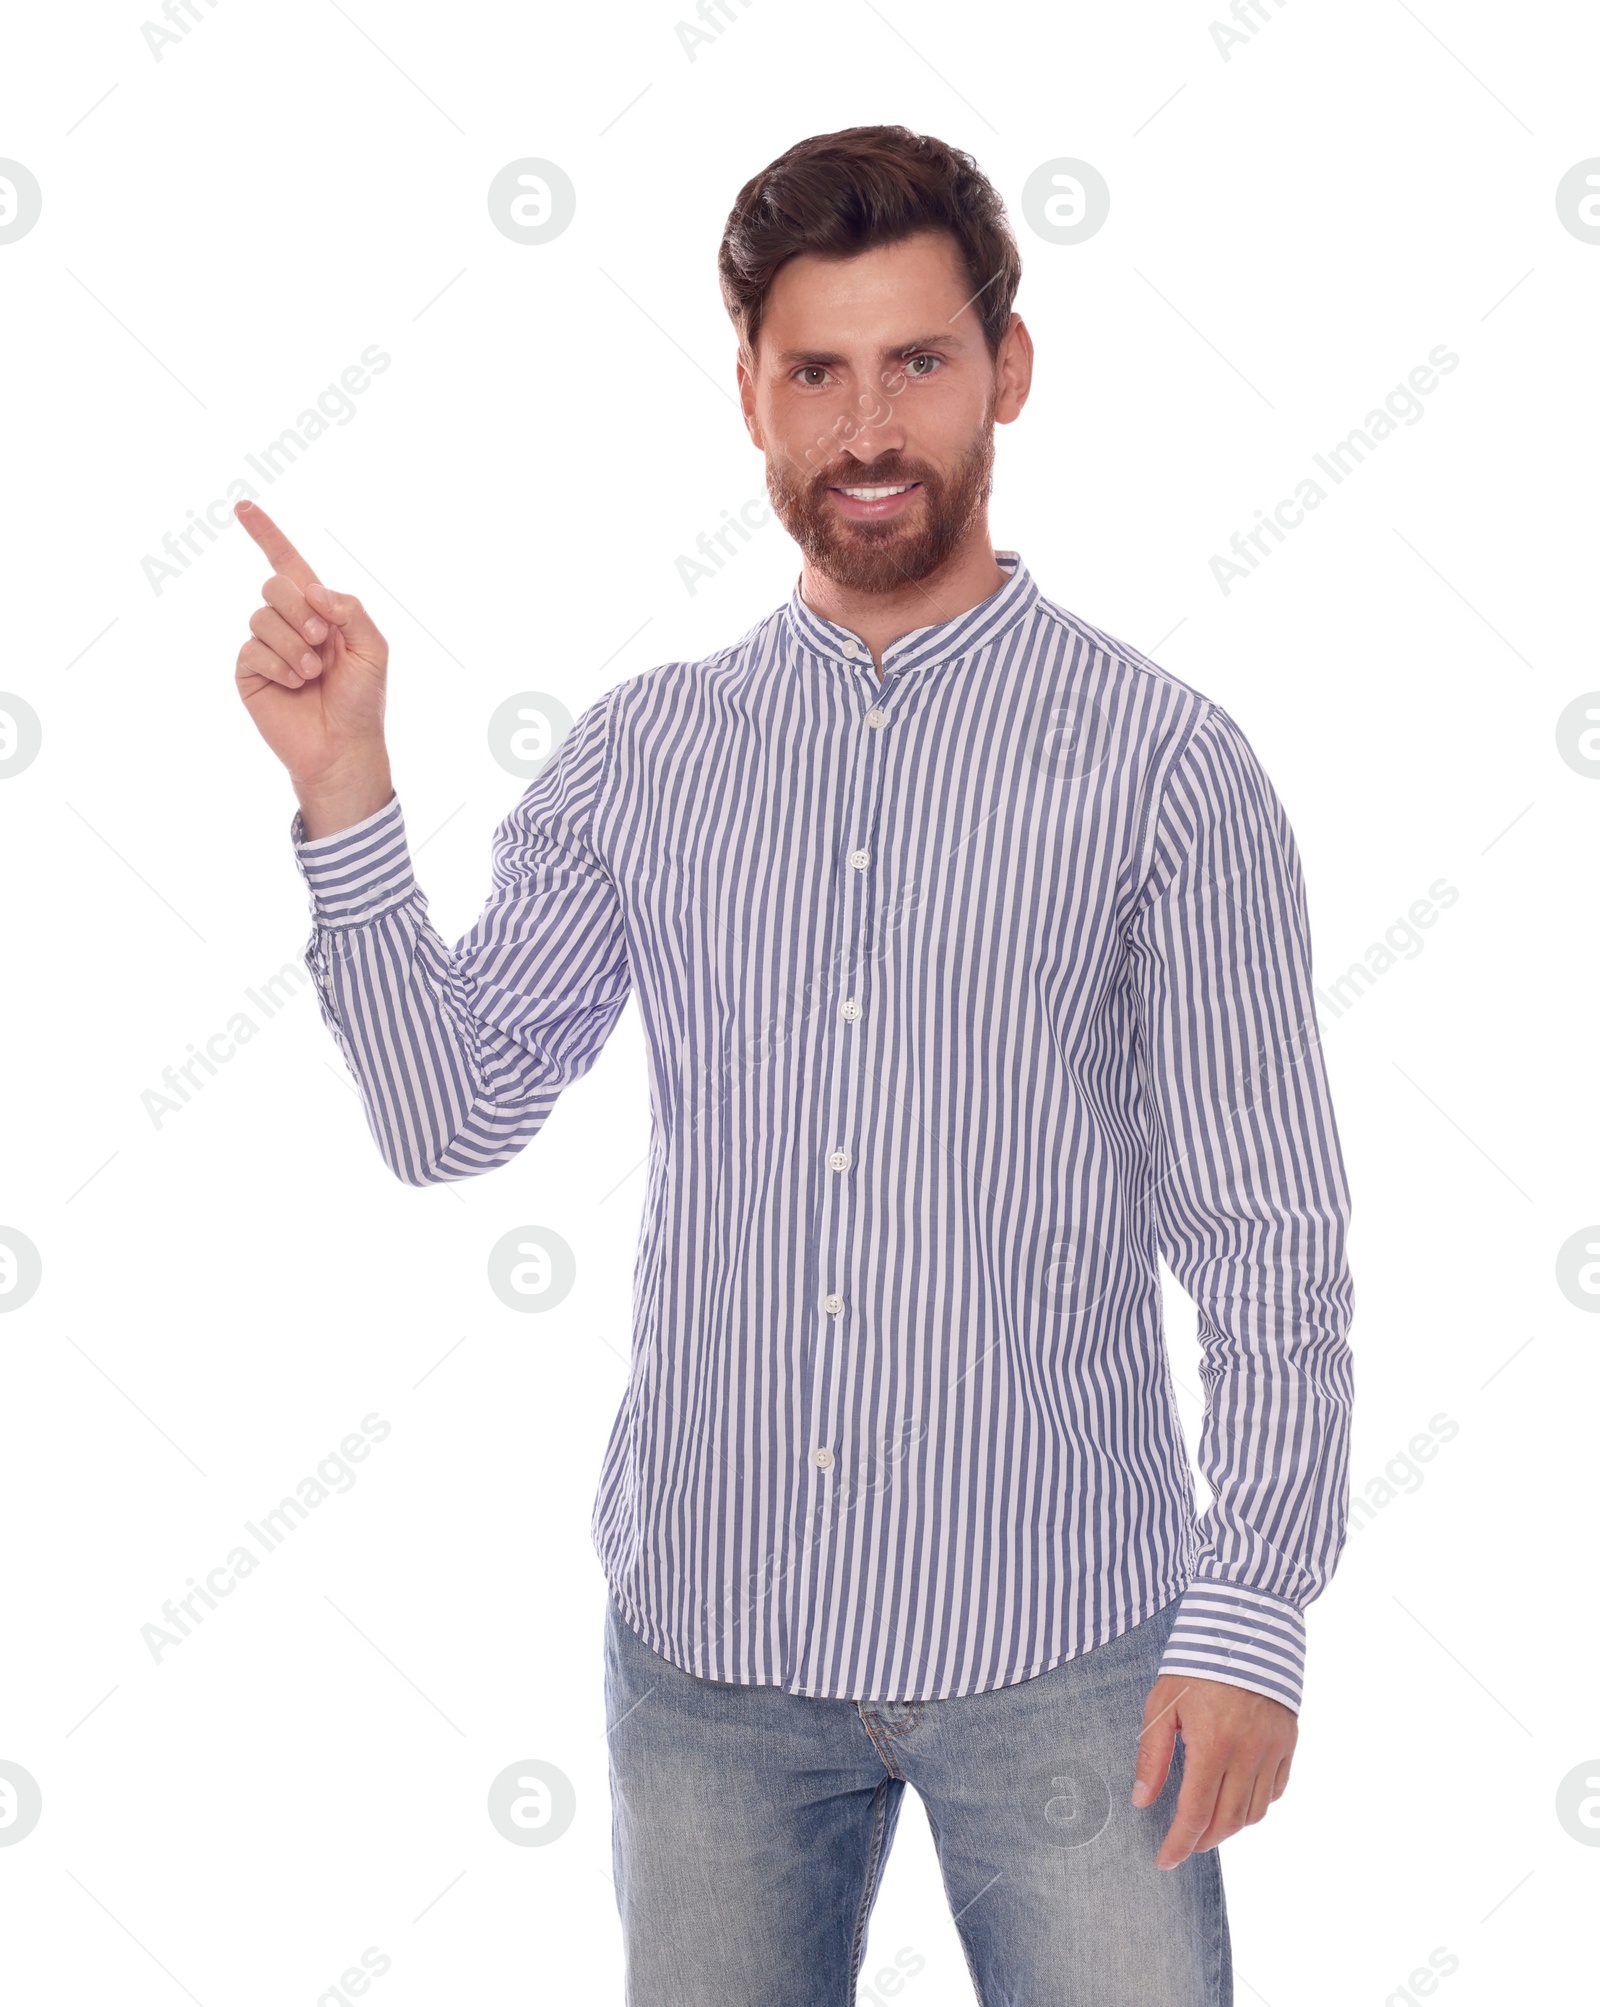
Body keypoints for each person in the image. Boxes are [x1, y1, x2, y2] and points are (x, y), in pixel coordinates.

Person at [232, 124, 1353, 2007]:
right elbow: (454, 1112)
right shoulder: (652, 756)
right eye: (815, 373)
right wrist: (346, 786)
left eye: (917, 362)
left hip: (1067, 1650)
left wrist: (1251, 1615)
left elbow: (1267, 1236)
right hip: (710, 1665)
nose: (867, 430)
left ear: (1008, 368)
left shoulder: (1165, 769)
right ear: (748, 394)